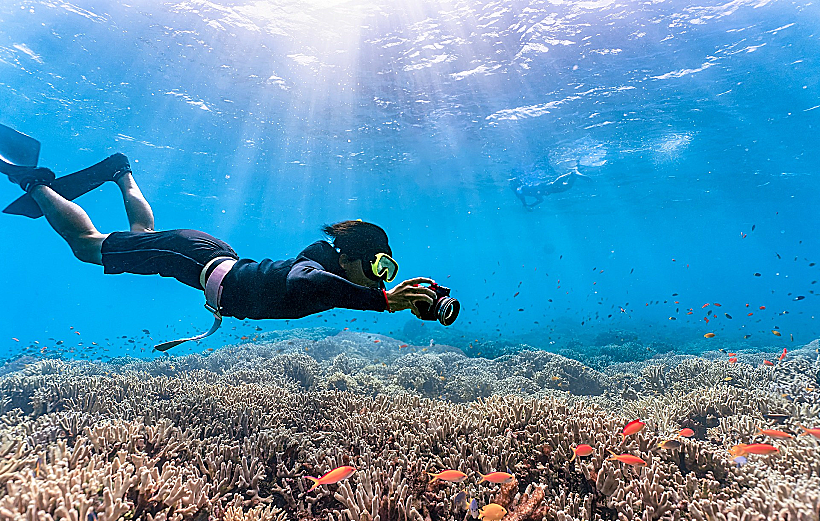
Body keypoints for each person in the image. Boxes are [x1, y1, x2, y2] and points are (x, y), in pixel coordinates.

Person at [1, 125, 436, 351]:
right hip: (193, 258)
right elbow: (304, 282)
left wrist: (406, 302)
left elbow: (323, 288)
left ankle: (121, 171)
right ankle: (33, 182)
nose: (380, 279)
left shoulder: (332, 269)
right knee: (87, 247)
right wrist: (382, 301)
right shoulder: (318, 269)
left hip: (207, 257)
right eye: (379, 267)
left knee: (144, 236)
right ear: (351, 259)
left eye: (388, 272)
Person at [510, 167, 591, 209]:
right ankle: (574, 174)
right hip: (552, 189)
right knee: (568, 186)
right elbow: (540, 200)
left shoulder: (528, 189)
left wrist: (528, 205)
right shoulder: (533, 193)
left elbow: (521, 193)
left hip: (551, 188)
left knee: (558, 184)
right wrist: (530, 205)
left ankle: (572, 173)